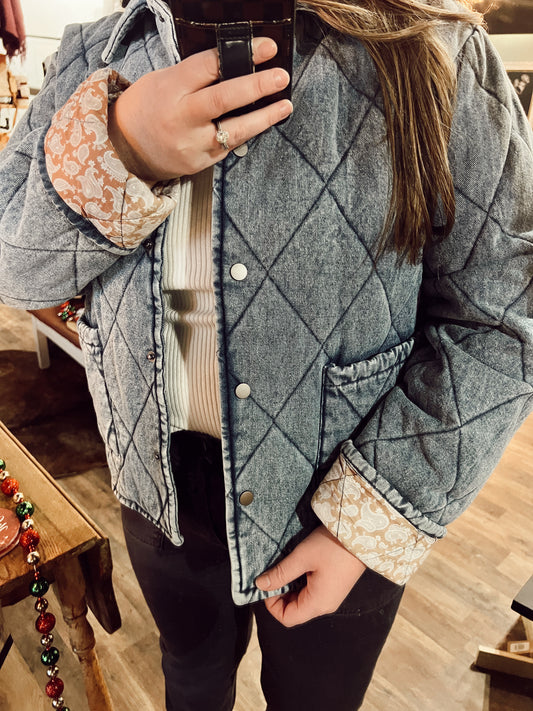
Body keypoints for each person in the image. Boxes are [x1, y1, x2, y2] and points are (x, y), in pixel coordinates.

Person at [0, 0, 532, 709]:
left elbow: (503, 321)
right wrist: (120, 148)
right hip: (159, 491)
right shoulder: (92, 56)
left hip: (341, 492)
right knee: (190, 678)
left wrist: (362, 523)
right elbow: (16, 269)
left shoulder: (436, 52)